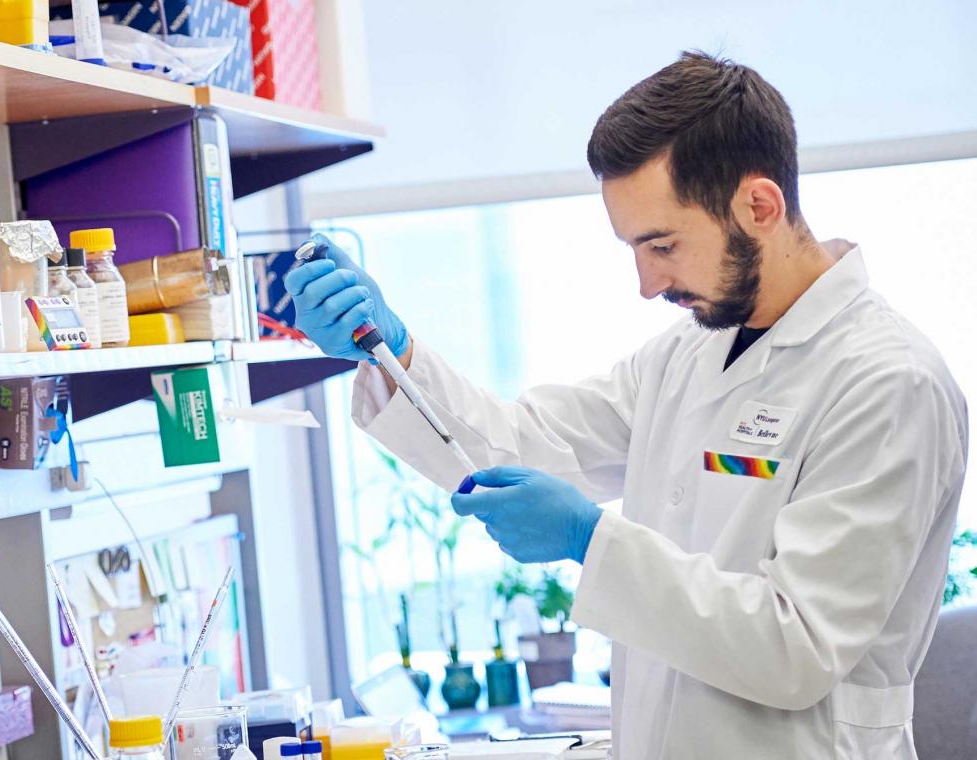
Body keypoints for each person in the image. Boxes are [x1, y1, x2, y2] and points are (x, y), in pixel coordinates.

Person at [286, 52, 968, 759]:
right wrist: (392, 350)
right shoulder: (686, 355)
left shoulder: (888, 384)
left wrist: (590, 541)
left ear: (759, 207)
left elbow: (794, 647)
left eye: (663, 244)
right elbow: (522, 445)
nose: (646, 284)